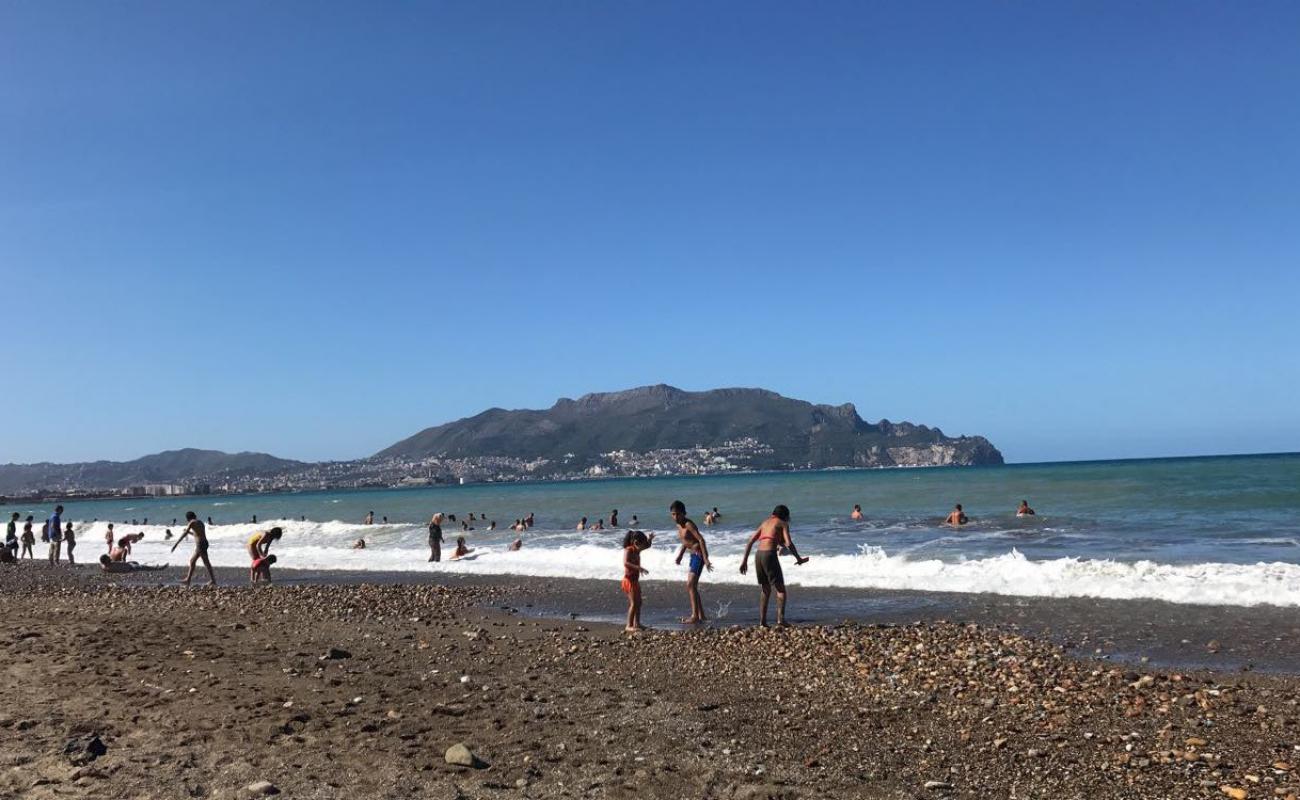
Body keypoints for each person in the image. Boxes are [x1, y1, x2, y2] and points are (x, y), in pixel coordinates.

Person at [739, 505, 809, 627]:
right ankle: (780, 620)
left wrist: (744, 561)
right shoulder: (782, 523)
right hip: (769, 555)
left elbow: (751, 541)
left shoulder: (765, 522)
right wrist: (799, 558)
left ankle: (762, 622)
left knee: (765, 589)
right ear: (784, 516)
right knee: (780, 589)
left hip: (758, 555)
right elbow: (788, 543)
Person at [670, 500, 713, 624]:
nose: (676, 517)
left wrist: (706, 559)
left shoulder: (689, 524)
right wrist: (680, 555)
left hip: (699, 555)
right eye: (673, 514)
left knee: (690, 584)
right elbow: (685, 541)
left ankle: (695, 615)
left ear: (684, 513)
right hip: (692, 556)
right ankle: (701, 615)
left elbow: (700, 540)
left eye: (678, 514)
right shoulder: (679, 525)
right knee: (692, 586)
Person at [620, 530, 654, 633]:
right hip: (628, 580)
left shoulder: (637, 549)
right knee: (634, 603)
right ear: (636, 542)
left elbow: (647, 545)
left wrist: (650, 539)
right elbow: (626, 563)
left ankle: (637, 623)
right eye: (642, 544)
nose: (643, 547)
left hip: (635, 580)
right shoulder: (629, 550)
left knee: (639, 603)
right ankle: (629, 625)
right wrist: (639, 568)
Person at [172, 511, 216, 586]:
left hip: (200, 545)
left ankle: (213, 580)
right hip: (204, 543)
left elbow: (184, 534)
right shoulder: (200, 522)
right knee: (192, 561)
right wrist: (189, 533)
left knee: (206, 562)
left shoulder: (191, 522)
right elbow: (197, 534)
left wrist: (176, 544)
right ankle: (188, 580)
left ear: (188, 518)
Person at [99, 554, 166, 573]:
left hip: (128, 564)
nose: (110, 558)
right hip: (130, 568)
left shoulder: (106, 565)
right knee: (141, 567)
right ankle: (158, 568)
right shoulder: (108, 567)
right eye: (108, 558)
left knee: (136, 562)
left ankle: (154, 566)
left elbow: (102, 564)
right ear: (105, 560)